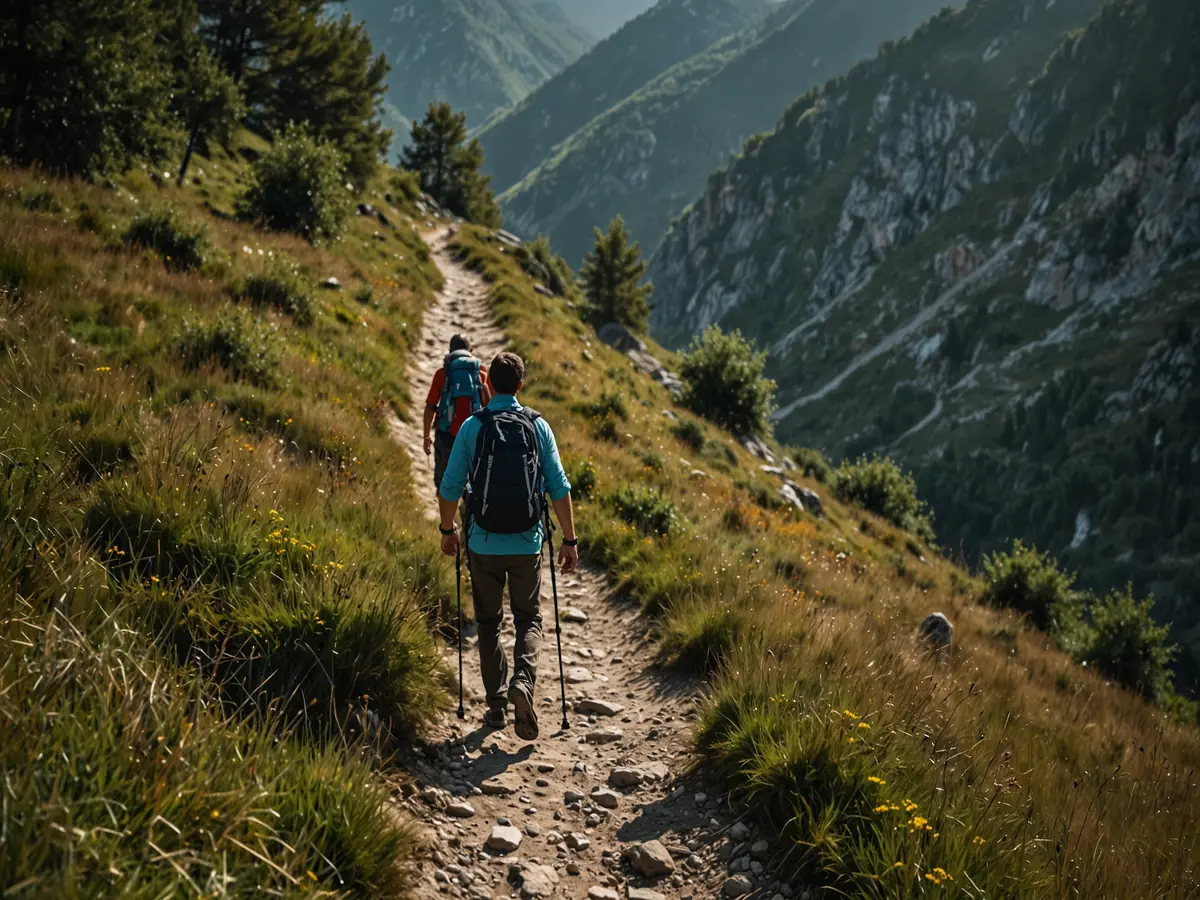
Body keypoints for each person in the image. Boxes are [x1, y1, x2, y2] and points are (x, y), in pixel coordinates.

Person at [438, 351, 578, 740]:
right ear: (520, 385)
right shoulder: (538, 426)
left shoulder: (472, 426)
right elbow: (559, 487)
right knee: (528, 619)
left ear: (487, 385)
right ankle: (523, 682)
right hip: (526, 541)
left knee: (488, 623)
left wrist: (448, 530)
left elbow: (449, 486)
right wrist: (569, 539)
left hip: (482, 541)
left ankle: (497, 707)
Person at [423, 334, 491, 496]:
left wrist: (426, 436)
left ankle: (447, 521)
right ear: (471, 351)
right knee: (472, 484)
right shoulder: (482, 374)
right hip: (473, 436)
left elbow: (430, 407)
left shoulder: (442, 374)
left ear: (450, 351)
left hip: (446, 435)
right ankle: (468, 516)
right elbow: (490, 406)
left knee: (444, 482)